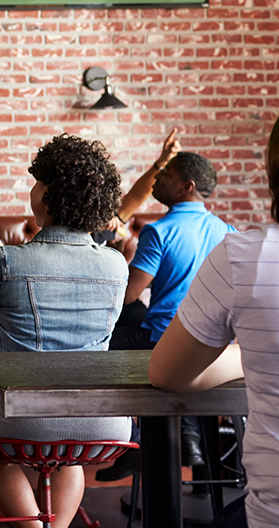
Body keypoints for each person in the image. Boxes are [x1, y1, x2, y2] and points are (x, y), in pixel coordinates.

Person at [0, 134, 130, 528]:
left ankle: (32, 526)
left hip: (23, 418)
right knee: (70, 452)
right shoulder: (117, 265)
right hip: (105, 422)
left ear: (47, 194)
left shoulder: (7, 261)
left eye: (36, 182)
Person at [148, 112, 279, 528]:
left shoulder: (244, 255)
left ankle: (151, 446)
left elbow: (166, 372)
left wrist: (248, 352)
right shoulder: (223, 229)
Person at [98, 148, 234, 478]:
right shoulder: (227, 232)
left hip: (162, 341)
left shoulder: (160, 230)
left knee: (97, 347)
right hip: (215, 345)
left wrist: (116, 262)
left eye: (166, 174)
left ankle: (137, 439)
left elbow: (129, 294)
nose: (158, 178)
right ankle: (193, 447)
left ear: (186, 186)